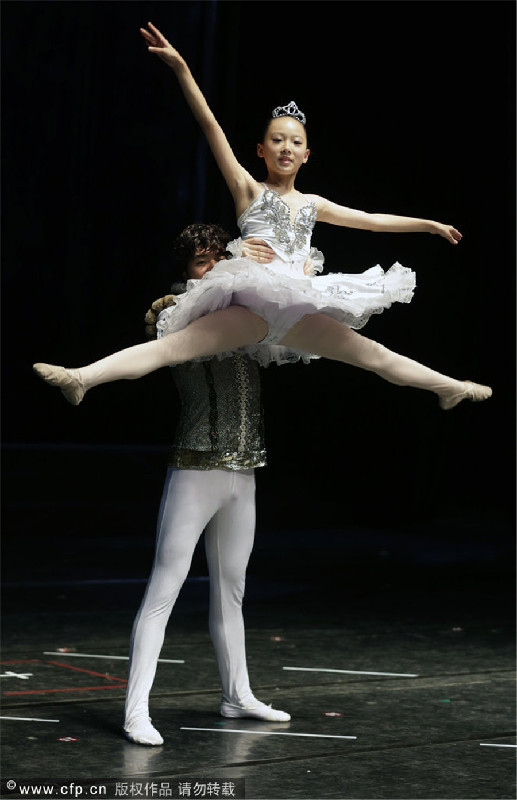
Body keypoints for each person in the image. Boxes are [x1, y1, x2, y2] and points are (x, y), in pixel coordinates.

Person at [33, 22, 492, 412]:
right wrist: (182, 67)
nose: (285, 148)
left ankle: (449, 388)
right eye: (276, 140)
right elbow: (210, 125)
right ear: (260, 149)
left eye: (295, 142)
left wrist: (428, 225)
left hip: (298, 315)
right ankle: (83, 377)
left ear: (307, 154)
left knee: (373, 354)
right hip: (250, 306)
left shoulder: (314, 205)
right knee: (171, 348)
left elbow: (372, 220)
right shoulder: (247, 188)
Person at [124, 223, 290, 748]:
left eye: (220, 257)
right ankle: (134, 712)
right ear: (186, 268)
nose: (213, 266)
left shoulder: (248, 307)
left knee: (232, 590)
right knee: (165, 587)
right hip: (196, 465)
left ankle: (236, 695)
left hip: (244, 470)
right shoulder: (174, 310)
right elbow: (172, 330)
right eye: (201, 260)